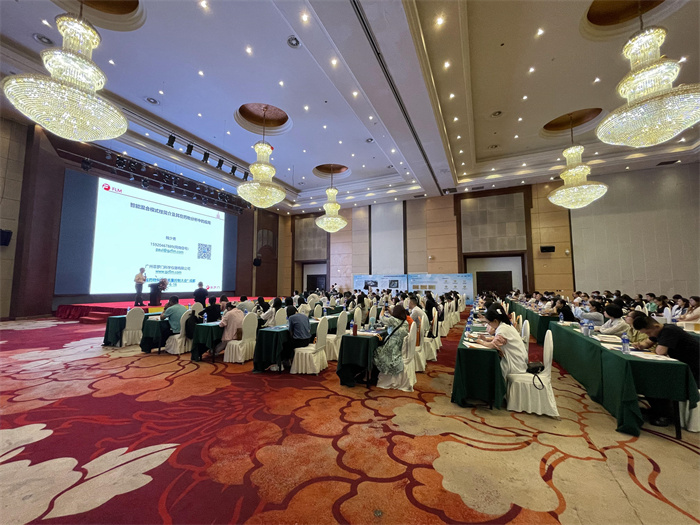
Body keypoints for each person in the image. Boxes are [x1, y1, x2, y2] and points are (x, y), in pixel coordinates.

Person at [633, 315, 700, 426]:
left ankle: (664, 414)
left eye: (648, 332)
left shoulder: (669, 331)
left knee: (655, 380)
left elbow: (660, 351)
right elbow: (647, 343)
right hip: (680, 366)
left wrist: (653, 349)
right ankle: (657, 410)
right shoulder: (659, 331)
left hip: (692, 371)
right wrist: (640, 346)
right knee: (648, 377)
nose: (648, 335)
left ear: (656, 326)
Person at [476, 306, 529, 381]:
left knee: (490, 369)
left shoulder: (502, 329)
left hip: (515, 363)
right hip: (518, 358)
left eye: (489, 323)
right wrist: (486, 339)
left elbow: (492, 345)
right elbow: (498, 339)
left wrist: (481, 342)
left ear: (495, 321)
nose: (489, 325)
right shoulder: (504, 325)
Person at [373, 304, 409, 378]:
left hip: (391, 347)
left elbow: (382, 318)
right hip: (399, 346)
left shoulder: (393, 320)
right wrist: (390, 312)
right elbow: (396, 320)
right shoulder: (405, 322)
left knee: (375, 351)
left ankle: (373, 376)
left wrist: (383, 310)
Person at [281, 305, 312, 370]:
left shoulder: (291, 318)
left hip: (299, 342)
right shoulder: (305, 316)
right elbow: (309, 328)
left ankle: (286, 361)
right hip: (308, 340)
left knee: (285, 344)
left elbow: (290, 331)